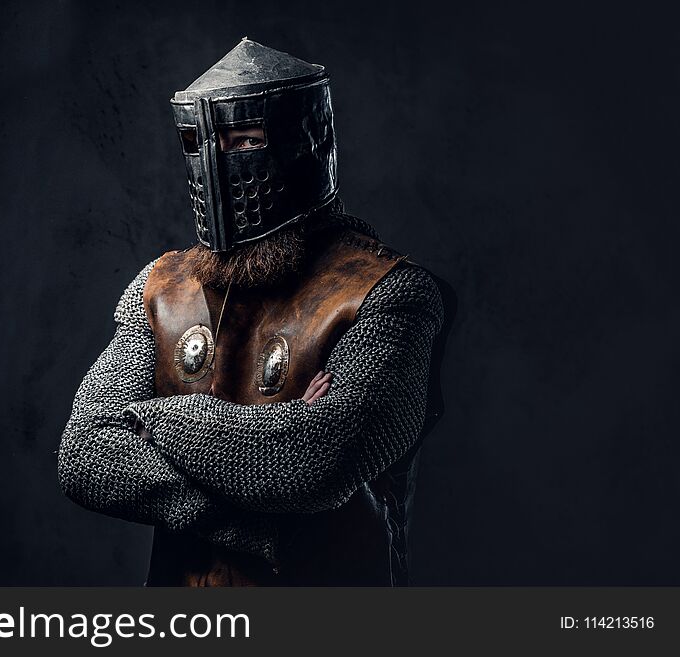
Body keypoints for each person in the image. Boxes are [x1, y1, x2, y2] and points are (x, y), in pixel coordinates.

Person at [58, 38, 449, 586]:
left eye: (244, 140)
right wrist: (253, 515)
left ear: (305, 144)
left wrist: (157, 416)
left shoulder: (385, 295)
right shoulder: (165, 290)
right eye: (199, 144)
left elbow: (313, 465)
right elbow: (86, 455)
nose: (218, 167)